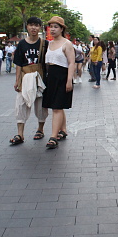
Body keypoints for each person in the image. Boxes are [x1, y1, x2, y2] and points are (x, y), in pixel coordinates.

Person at [9, 17, 49, 145]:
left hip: (40, 79)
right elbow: (19, 64)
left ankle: (40, 129)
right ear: (27, 27)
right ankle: (20, 134)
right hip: (25, 78)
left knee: (41, 105)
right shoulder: (21, 44)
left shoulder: (44, 43)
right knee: (20, 104)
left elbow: (47, 63)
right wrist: (17, 80)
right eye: (31, 25)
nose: (33, 28)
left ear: (40, 28)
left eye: (36, 25)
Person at [42, 16, 75, 149]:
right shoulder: (48, 44)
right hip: (51, 77)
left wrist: (69, 81)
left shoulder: (67, 44)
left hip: (63, 76)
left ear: (62, 29)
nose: (53, 29)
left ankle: (53, 137)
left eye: (56, 27)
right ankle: (63, 130)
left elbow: (71, 62)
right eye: (51, 27)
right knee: (57, 106)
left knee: (57, 107)